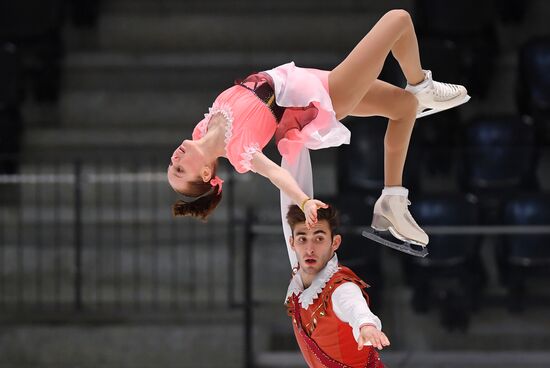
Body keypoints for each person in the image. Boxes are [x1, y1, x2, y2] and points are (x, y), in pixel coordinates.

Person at [167, 9, 470, 262]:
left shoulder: (202, 128)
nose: (175, 159)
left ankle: (392, 199)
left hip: (310, 80)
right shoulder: (239, 151)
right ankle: (422, 85)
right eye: (180, 169)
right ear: (207, 171)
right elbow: (275, 174)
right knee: (398, 20)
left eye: (172, 165)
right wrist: (304, 201)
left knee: (403, 106)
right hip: (321, 97)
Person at [285, 204, 389, 368]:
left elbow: (355, 307)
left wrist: (366, 326)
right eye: (302, 239)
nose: (310, 249)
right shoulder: (299, 277)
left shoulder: (341, 288)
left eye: (319, 239)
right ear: (292, 243)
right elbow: (291, 197)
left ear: (335, 242)